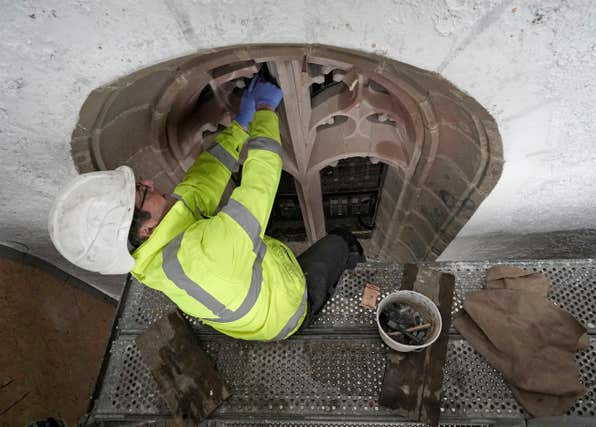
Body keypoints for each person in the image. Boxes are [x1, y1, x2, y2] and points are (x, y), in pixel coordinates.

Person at [49, 73, 364, 341]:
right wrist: (267, 110)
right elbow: (260, 184)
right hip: (288, 311)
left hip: (255, 301)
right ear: (145, 230)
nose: (148, 183)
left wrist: (240, 126)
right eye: (140, 193)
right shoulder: (202, 256)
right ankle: (358, 289)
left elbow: (201, 184)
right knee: (343, 240)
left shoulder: (152, 253)